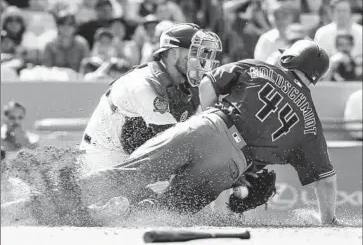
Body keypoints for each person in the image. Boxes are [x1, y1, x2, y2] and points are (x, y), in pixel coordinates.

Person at [76, 40, 339, 226]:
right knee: (173, 208)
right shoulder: (310, 122)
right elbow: (326, 178)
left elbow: (208, 81)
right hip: (233, 164)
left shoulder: (260, 67)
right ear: (315, 77)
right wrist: (328, 221)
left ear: (288, 58)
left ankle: (65, 194)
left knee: (137, 170)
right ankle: (130, 214)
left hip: (210, 126)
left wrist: (210, 117)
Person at [79, 23, 222, 172]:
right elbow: (174, 141)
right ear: (174, 53)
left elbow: (206, 130)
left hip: (132, 158)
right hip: (103, 158)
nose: (201, 60)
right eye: (195, 52)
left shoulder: (188, 84)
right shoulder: (144, 83)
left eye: (203, 53)